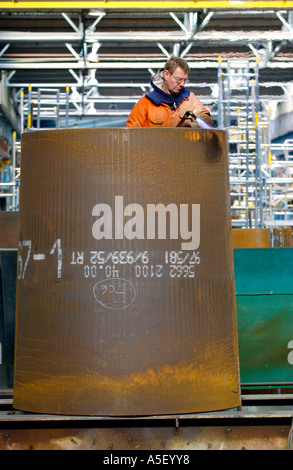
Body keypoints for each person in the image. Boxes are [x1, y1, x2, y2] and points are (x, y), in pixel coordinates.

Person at [126, 56, 213, 128]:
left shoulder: (190, 99)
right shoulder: (145, 104)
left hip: (183, 148)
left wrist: (193, 124)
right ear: (166, 74)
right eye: (179, 80)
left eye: (185, 80)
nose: (182, 84)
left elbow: (205, 119)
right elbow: (131, 135)